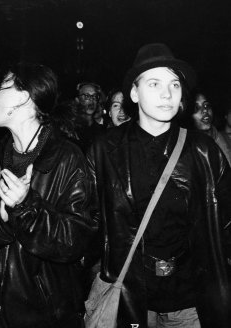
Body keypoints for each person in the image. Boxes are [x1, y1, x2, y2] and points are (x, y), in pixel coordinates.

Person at [88, 43, 231, 328]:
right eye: (154, 83)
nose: (167, 94)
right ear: (133, 92)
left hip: (189, 300)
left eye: (174, 84)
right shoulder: (105, 149)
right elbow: (88, 220)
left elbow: (225, 221)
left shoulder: (203, 151)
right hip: (130, 293)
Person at [0, 63, 96, 328]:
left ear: (22, 97)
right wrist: (0, 217)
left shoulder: (67, 158)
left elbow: (76, 241)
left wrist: (25, 206)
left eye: (1, 87)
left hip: (42, 312)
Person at [188, 89, 231, 166]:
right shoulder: (188, 148)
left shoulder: (224, 139)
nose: (205, 110)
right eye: (196, 108)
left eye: (206, 105)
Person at [74, 81, 105, 152]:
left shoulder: (101, 131)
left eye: (94, 96)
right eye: (86, 96)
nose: (91, 99)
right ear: (77, 100)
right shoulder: (70, 129)